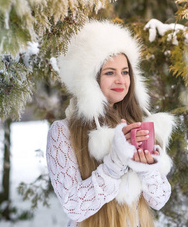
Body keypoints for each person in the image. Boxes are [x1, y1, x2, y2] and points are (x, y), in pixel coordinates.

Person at [46, 21, 176, 227]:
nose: (121, 80)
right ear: (89, 80)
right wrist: (114, 165)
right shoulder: (62, 132)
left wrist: (147, 168)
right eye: (110, 72)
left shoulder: (139, 125)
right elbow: (73, 206)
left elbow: (160, 199)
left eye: (125, 72)